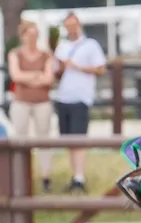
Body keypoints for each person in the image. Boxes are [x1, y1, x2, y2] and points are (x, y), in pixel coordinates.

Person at [52, 12, 107, 193]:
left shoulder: (90, 46)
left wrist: (78, 67)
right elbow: (56, 73)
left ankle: (80, 176)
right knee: (68, 140)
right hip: (63, 96)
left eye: (73, 25)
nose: (71, 29)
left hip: (81, 97)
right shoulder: (62, 47)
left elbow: (100, 69)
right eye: (68, 26)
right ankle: (74, 174)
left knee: (79, 139)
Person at [7, 19, 56, 191]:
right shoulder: (15, 54)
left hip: (42, 101)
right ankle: (19, 176)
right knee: (20, 137)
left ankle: (46, 176)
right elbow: (16, 76)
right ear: (23, 36)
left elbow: (49, 78)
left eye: (36, 35)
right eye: (30, 35)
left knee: (44, 138)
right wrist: (37, 75)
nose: (33, 38)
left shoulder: (46, 55)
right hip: (21, 101)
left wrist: (28, 78)